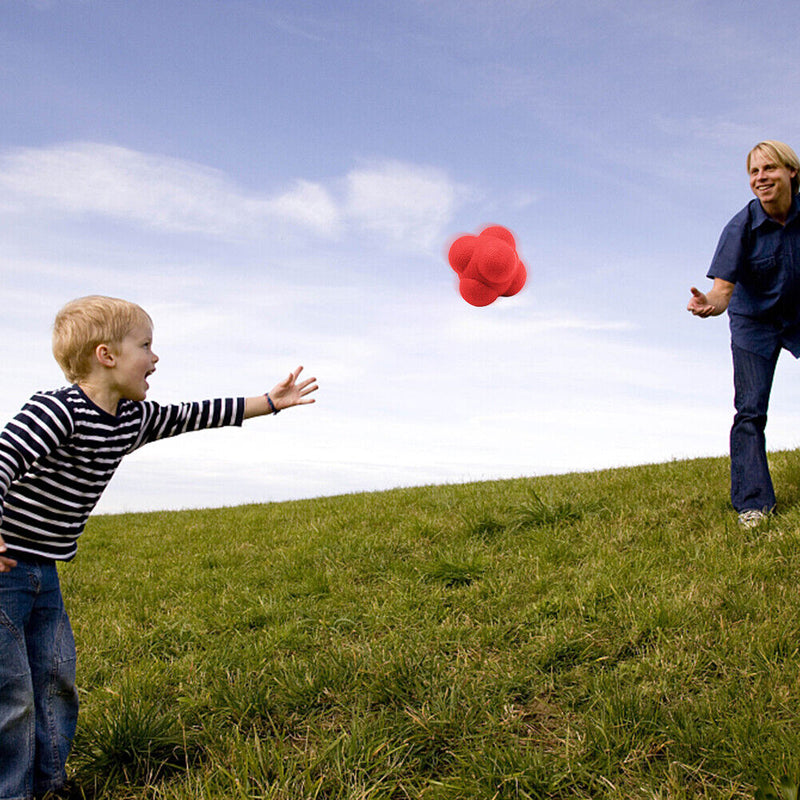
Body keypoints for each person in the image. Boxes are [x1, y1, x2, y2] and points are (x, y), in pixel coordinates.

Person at [0, 295, 318, 800]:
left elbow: (196, 414)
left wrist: (270, 401)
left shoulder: (130, 419)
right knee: (12, 694)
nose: (155, 357)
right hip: (5, 573)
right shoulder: (56, 410)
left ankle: (51, 785)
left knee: (56, 679)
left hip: (46, 571)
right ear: (106, 355)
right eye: (145, 346)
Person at [688, 140, 800, 528]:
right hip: (755, 324)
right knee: (750, 410)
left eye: (769, 168)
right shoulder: (740, 227)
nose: (760, 177)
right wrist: (710, 303)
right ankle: (753, 504)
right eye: (754, 171)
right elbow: (722, 291)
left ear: (791, 172)